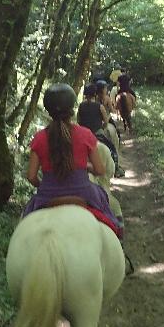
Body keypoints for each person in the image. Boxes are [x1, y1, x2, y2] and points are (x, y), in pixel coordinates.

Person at [23, 84, 123, 237]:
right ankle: (118, 233)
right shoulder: (85, 134)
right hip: (84, 192)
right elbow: (100, 170)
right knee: (108, 210)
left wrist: (44, 186)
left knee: (24, 222)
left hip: (48, 194)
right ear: (71, 109)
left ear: (48, 111)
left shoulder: (39, 138)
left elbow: (31, 176)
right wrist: (86, 167)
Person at [78, 83, 123, 176]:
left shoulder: (81, 106)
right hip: (97, 133)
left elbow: (78, 121)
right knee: (112, 148)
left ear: (85, 94)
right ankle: (117, 168)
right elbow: (106, 121)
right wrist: (102, 127)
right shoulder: (100, 106)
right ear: (95, 94)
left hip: (83, 134)